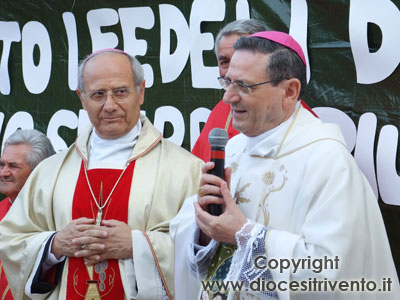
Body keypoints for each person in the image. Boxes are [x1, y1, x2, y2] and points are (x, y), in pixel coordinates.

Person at [187, 31, 400, 299]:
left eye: (244, 86)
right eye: (227, 82)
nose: (228, 97)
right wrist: (206, 226)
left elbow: (330, 274)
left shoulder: (327, 160)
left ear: (289, 91)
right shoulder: (233, 149)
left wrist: (243, 234)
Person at [0, 49, 202, 300]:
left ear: (141, 91)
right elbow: (11, 239)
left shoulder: (185, 170)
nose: (109, 105)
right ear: (82, 99)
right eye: (98, 94)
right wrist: (54, 245)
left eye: (120, 92)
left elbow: (203, 252)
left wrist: (136, 246)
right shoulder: (50, 172)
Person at [191, 19, 316, 162]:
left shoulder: (316, 146)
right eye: (225, 62)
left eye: (243, 60)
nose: (234, 69)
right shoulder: (221, 112)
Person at [0, 129, 55, 300]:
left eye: (13, 166)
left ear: (39, 171)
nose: (3, 173)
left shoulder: (55, 216)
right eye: (2, 165)